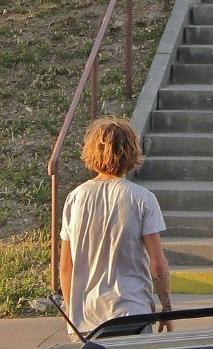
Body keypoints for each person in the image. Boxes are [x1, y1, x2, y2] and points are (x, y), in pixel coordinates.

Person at [59, 116, 173, 340]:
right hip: (131, 311)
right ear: (131, 152)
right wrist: (166, 308)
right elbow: (158, 263)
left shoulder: (75, 198)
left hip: (86, 317)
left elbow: (66, 266)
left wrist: (72, 314)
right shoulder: (143, 199)